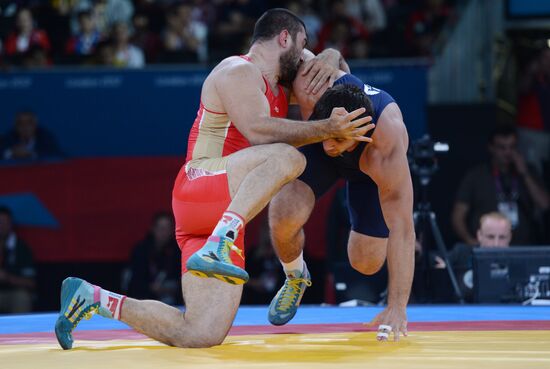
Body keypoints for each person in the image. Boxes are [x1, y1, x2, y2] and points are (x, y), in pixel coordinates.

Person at [55, 8, 372, 350]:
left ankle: (93, 298)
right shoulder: (237, 70)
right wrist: (326, 128)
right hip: (199, 185)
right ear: (285, 38)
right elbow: (258, 131)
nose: (306, 55)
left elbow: (339, 80)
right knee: (288, 156)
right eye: (304, 44)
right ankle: (228, 241)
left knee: (201, 333)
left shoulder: (282, 85)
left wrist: (331, 55)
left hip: (212, 221)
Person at [268, 52, 414, 341]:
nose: (330, 147)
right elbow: (321, 58)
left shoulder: (387, 144)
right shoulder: (311, 86)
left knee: (365, 262)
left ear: (361, 132)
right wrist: (332, 54)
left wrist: (397, 307)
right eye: (329, 137)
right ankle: (296, 275)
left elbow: (403, 228)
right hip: (320, 137)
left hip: (366, 167)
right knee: (282, 214)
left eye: (338, 140)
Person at [452, 124, 549, 246]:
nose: (507, 152)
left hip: (523, 248)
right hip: (488, 249)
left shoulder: (528, 172)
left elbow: (545, 205)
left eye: (512, 147)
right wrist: (469, 240)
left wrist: (524, 174)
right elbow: (458, 215)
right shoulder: (476, 176)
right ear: (491, 148)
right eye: (502, 148)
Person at [436, 212, 512, 300]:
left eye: (502, 237)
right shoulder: (461, 254)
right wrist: (442, 271)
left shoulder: (520, 262)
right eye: (490, 237)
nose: (496, 244)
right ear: (479, 235)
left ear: (510, 237)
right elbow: (437, 262)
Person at [124, 212, 181, 305]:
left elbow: (180, 279)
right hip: (143, 298)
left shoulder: (177, 251)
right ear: (153, 229)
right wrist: (151, 287)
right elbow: (135, 280)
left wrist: (167, 288)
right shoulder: (141, 250)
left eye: (168, 229)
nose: (164, 232)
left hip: (170, 300)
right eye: (161, 228)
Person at [0, 206, 36, 313]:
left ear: (10, 224)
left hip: (13, 294)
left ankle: (21, 329)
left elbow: (31, 283)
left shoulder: (22, 248)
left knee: (22, 297)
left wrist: (7, 278)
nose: (0, 226)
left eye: (3, 222)